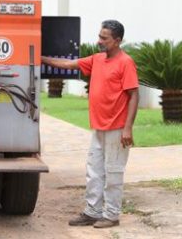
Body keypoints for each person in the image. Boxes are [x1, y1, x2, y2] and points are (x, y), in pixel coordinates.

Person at [41, 20, 139, 229]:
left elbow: (134, 95)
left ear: (117, 40)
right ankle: (92, 212)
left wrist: (128, 128)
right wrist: (39, 58)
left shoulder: (125, 62)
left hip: (117, 128)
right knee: (94, 171)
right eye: (99, 36)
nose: (99, 41)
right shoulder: (97, 59)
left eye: (104, 38)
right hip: (98, 127)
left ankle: (111, 215)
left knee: (113, 173)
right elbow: (68, 64)